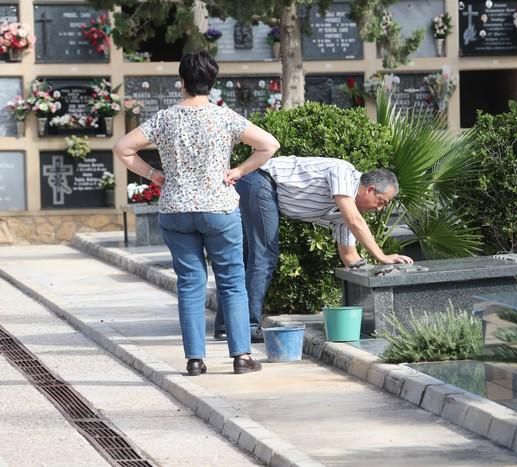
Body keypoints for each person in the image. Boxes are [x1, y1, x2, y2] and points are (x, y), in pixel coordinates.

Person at [113, 51, 280, 376]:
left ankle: (194, 359)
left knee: (190, 283)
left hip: (176, 209)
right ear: (212, 82)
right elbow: (269, 144)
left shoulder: (165, 118)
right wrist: (239, 171)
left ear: (182, 82)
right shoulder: (224, 117)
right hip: (218, 207)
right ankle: (242, 356)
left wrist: (152, 175)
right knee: (232, 281)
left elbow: (123, 148)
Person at [214, 156, 413, 343]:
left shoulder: (345, 214)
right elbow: (355, 221)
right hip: (261, 181)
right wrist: (382, 256)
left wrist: (378, 272)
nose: (379, 209)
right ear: (370, 189)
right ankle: (246, 327)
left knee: (250, 258)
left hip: (262, 190)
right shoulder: (343, 172)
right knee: (264, 257)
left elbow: (350, 256)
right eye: (381, 203)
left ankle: (225, 326)